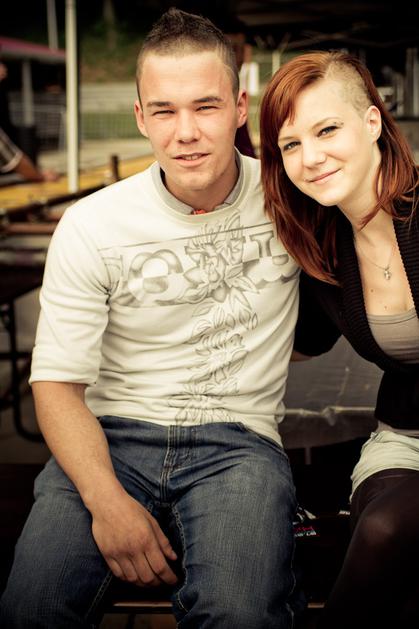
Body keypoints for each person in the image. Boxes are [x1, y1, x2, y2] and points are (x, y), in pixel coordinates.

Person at [0, 8, 300, 629]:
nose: (185, 132)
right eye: (164, 111)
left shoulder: (292, 198)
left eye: (206, 106)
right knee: (32, 608)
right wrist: (107, 503)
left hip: (237, 444)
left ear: (240, 108)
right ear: (141, 117)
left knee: (240, 613)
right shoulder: (92, 224)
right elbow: (55, 385)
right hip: (110, 438)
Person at [259, 50, 419, 629]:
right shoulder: (325, 245)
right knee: (385, 529)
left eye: (327, 129)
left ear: (372, 121)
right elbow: (298, 342)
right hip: (406, 437)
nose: (311, 157)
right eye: (291, 144)